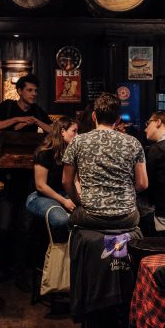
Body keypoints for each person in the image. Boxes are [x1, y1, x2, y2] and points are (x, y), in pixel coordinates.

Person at [0, 74, 52, 289]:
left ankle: (21, 270)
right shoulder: (7, 107)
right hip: (6, 178)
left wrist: (35, 121)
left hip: (29, 179)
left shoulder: (37, 111)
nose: (33, 94)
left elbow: (54, 132)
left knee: (25, 227)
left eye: (35, 91)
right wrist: (15, 120)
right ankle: (5, 267)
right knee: (4, 226)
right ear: (20, 91)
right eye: (30, 90)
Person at [62, 92, 148, 229]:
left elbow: (66, 181)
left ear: (94, 116)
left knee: (69, 221)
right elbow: (142, 184)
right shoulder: (133, 143)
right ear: (118, 120)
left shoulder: (78, 141)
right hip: (126, 216)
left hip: (91, 215)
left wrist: (79, 202)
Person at [26, 117, 78, 242]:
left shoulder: (71, 152)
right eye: (74, 131)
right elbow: (41, 186)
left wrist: (78, 199)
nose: (77, 135)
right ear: (62, 131)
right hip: (41, 196)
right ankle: (58, 250)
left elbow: (75, 180)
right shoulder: (44, 153)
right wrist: (65, 201)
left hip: (64, 195)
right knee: (61, 220)